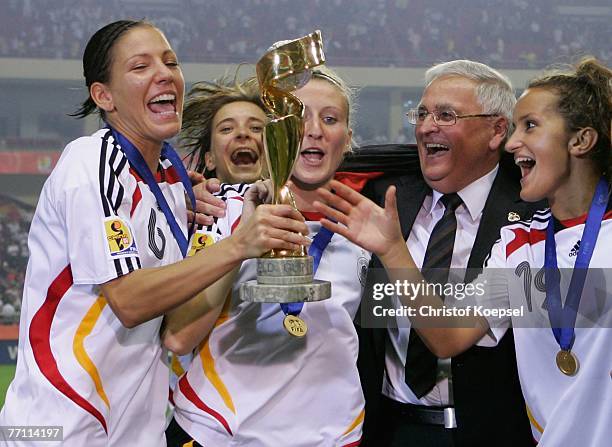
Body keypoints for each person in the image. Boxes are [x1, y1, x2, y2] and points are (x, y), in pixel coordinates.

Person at [0, 20, 308, 446]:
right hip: (62, 428)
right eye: (140, 67)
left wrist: (229, 221)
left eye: (171, 62)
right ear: (103, 95)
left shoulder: (173, 184)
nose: (164, 74)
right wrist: (238, 245)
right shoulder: (91, 162)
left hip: (137, 430)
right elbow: (128, 300)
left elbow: (176, 333)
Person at [315, 57, 612, 447]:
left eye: (531, 126)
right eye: (420, 114)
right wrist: (392, 249)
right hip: (393, 429)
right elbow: (447, 334)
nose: (514, 144)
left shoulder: (523, 218)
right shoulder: (520, 243)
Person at [164, 66, 371, 447]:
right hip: (222, 433)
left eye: (330, 119)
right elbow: (178, 337)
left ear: (347, 139)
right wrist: (239, 242)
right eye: (300, 117)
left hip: (335, 436)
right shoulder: (218, 211)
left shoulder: (368, 223)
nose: (314, 129)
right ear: (276, 133)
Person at [350, 60, 535, 446]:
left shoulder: (531, 216)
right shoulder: (383, 195)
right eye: (421, 114)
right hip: (385, 429)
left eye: (445, 115)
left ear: (497, 130)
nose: (425, 126)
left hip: (488, 435)